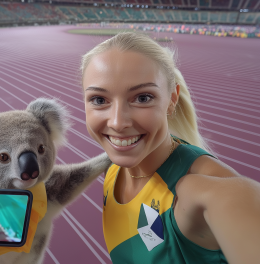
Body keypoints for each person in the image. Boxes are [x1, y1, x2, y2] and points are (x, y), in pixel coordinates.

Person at [81, 32, 260, 264]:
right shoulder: (113, 169)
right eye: (99, 100)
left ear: (172, 99)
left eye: (143, 98)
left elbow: (238, 199)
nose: (117, 122)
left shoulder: (204, 192)